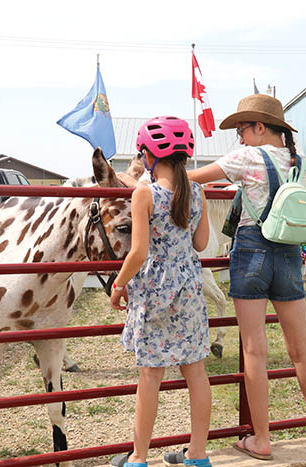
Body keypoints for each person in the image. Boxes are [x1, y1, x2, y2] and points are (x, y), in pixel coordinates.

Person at [187, 94, 306, 461]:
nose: (240, 137)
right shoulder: (300, 162)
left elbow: (194, 177)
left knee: (255, 351)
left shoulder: (247, 157)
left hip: (252, 252)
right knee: (300, 349)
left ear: (259, 127)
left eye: (242, 129)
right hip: (290, 254)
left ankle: (261, 439)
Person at [109, 116, 212, 467]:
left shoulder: (145, 193)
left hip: (154, 289)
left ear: (149, 157)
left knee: (151, 375)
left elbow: (138, 252)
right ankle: (197, 455)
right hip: (189, 286)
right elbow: (200, 243)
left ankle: (138, 457)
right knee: (196, 372)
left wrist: (119, 283)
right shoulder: (197, 192)